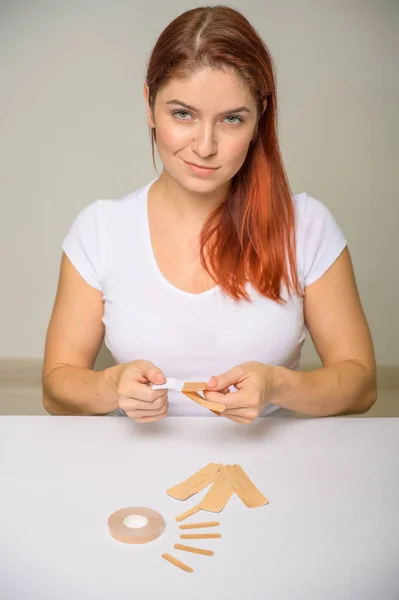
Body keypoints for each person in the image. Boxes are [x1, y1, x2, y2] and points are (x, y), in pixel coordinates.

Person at [42, 6, 377, 424]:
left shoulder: (307, 225)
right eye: (182, 114)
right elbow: (57, 389)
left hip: (273, 469)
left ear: (260, 119)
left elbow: (361, 385)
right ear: (149, 105)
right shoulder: (99, 230)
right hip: (131, 468)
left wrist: (279, 386)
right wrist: (111, 386)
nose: (205, 146)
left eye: (231, 119)